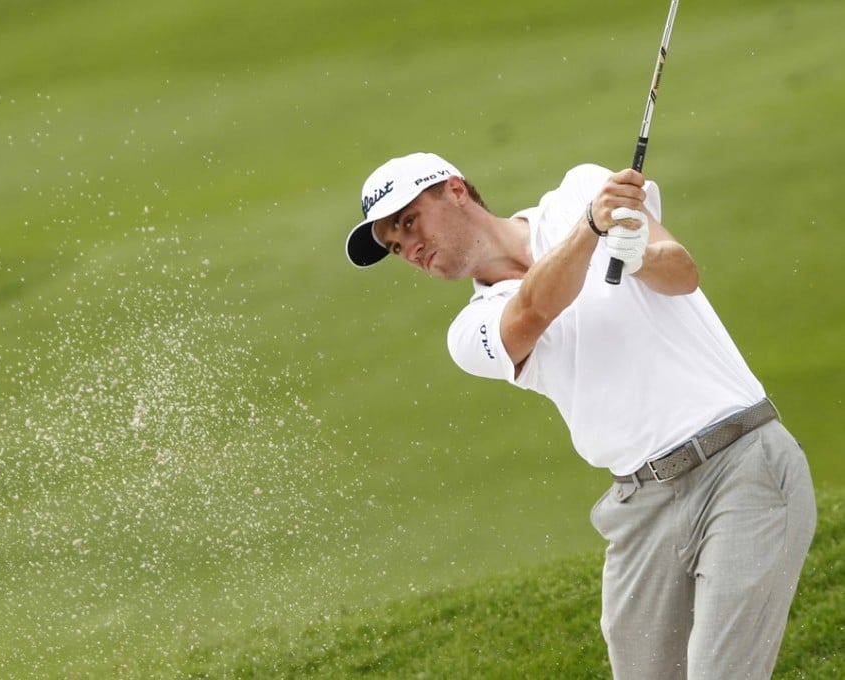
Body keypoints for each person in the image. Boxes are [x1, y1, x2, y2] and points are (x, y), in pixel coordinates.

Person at [344, 152, 817, 679]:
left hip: (741, 463)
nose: (409, 248)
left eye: (409, 222)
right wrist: (592, 228)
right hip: (641, 509)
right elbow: (532, 310)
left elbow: (682, 273)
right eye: (393, 244)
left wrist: (639, 257)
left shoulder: (580, 190)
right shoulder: (470, 330)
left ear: (455, 190)